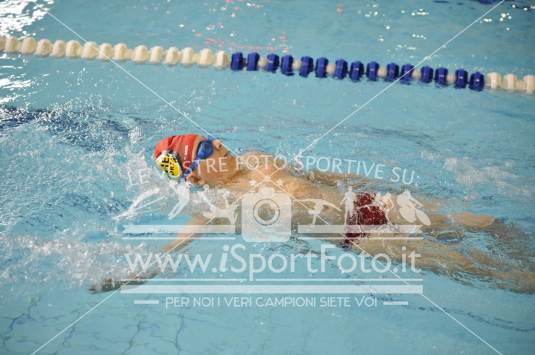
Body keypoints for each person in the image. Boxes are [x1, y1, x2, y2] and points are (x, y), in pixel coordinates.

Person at [93, 133, 535, 293]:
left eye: (213, 139)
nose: (220, 145)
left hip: (368, 204)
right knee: (472, 267)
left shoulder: (258, 157)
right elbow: (173, 250)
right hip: (362, 236)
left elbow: (323, 174)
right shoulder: (216, 208)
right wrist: (133, 276)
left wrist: (385, 189)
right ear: (193, 175)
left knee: (486, 223)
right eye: (206, 149)